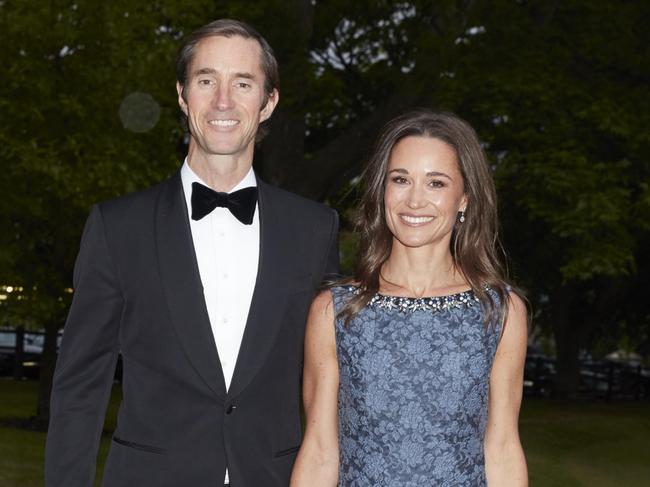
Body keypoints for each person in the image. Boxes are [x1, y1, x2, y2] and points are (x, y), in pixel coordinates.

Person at [45, 19, 339, 487]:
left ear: (269, 102)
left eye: (242, 83)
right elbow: (80, 385)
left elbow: (328, 383)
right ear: (183, 96)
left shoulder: (315, 229)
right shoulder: (118, 226)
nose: (223, 101)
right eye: (207, 81)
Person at [291, 110, 528, 486]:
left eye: (436, 183)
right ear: (382, 190)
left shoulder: (499, 311)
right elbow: (320, 449)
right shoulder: (335, 310)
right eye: (400, 179)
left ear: (464, 198)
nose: (414, 200)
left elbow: (501, 448)